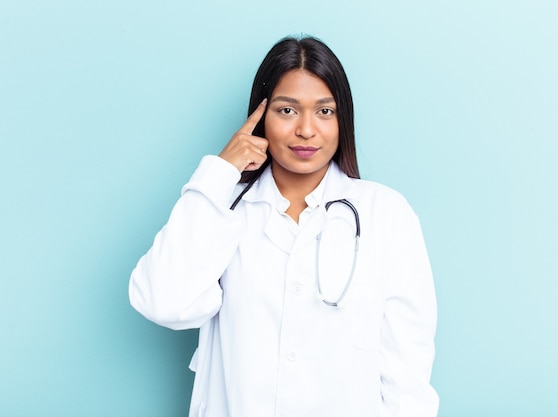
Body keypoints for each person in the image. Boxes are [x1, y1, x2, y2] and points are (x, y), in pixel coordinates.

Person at [129, 36, 439, 417]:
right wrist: (218, 175)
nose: (306, 130)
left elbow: (407, 369)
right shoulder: (222, 208)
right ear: (258, 119)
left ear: (344, 120)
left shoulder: (386, 213)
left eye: (325, 112)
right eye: (287, 110)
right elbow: (163, 302)